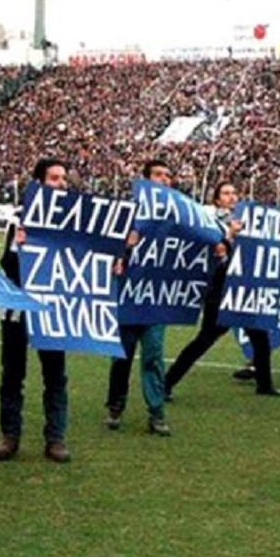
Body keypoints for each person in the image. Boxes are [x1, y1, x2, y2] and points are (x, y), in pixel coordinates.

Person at [164, 182, 280, 398]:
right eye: (226, 194)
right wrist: (230, 233)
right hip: (221, 289)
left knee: (260, 338)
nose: (232, 197)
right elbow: (214, 253)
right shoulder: (210, 223)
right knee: (204, 340)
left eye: (234, 192)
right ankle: (166, 383)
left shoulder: (247, 222)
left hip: (244, 290)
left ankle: (264, 384)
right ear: (217, 200)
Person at [0, 157, 72, 463]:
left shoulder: (74, 220)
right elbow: (7, 265)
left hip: (53, 309)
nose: (61, 184)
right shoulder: (20, 218)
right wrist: (21, 248)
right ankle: (9, 435)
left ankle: (55, 438)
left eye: (63, 178)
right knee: (13, 373)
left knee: (55, 375)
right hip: (17, 307)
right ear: (39, 183)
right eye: (54, 178)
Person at [105, 159, 175, 436]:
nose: (165, 180)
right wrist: (122, 251)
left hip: (156, 299)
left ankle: (156, 412)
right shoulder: (128, 213)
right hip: (129, 296)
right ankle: (115, 406)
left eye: (168, 175)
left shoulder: (176, 214)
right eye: (159, 175)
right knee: (121, 356)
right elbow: (106, 244)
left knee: (153, 357)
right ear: (145, 180)